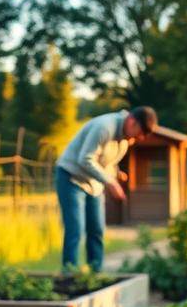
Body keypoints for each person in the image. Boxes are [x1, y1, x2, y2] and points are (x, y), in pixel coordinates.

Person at [55, 106, 158, 272]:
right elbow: (85, 159)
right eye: (139, 132)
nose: (139, 138)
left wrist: (116, 173)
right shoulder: (104, 127)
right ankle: (69, 276)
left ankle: (95, 275)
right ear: (132, 121)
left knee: (97, 230)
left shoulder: (124, 140)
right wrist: (111, 183)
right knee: (75, 229)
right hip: (71, 177)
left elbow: (107, 161)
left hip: (93, 184)